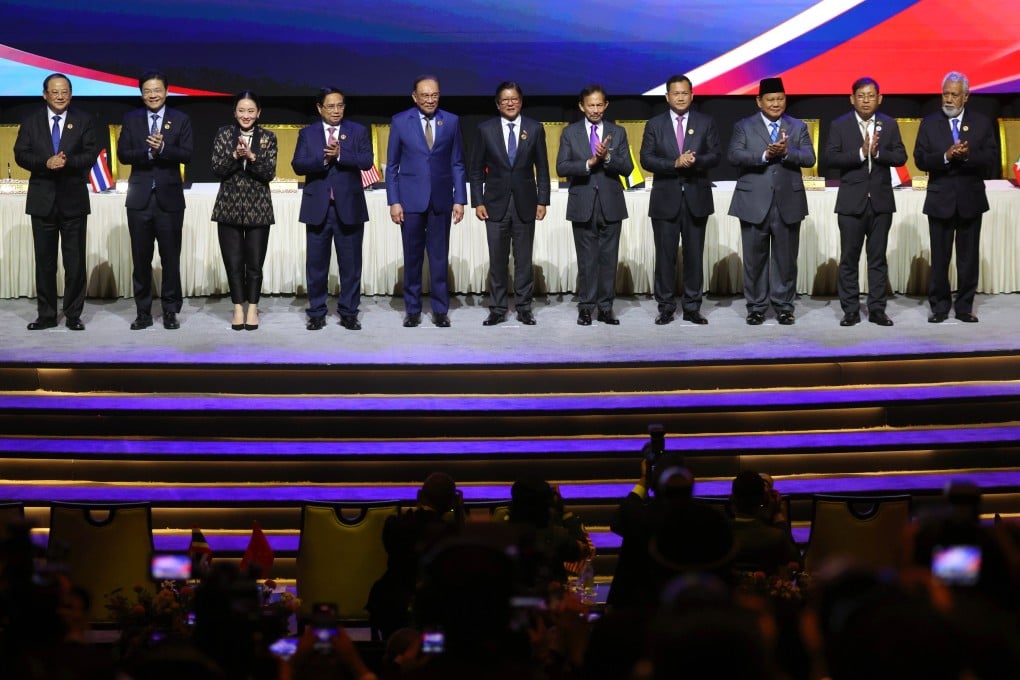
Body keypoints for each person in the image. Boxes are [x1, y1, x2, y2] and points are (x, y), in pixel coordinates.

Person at [727, 77, 815, 326]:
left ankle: (784, 307)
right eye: (770, 99)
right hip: (753, 201)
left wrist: (787, 153)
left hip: (788, 201)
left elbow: (809, 158)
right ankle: (756, 307)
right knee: (754, 260)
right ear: (759, 101)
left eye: (780, 99)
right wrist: (765, 155)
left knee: (785, 260)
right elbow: (734, 155)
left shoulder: (797, 126)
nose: (776, 104)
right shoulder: (744, 126)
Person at [14, 73, 97, 332]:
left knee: (75, 263)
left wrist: (67, 162)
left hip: (73, 201)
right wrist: (45, 163)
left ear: (70, 94)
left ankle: (73, 315)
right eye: (55, 91)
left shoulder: (83, 120)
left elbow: (90, 154)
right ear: (45, 94)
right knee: (45, 263)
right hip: (42, 201)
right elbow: (20, 154)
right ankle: (47, 315)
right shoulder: (31, 121)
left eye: (65, 92)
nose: (60, 96)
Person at [913, 71, 998, 324]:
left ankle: (964, 307)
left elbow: (991, 157)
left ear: (966, 96)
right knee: (940, 258)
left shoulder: (982, 122)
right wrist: (946, 156)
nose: (948, 99)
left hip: (970, 199)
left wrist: (968, 156)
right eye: (945, 94)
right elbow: (920, 159)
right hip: (940, 199)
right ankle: (939, 307)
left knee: (968, 259)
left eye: (954, 94)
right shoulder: (929, 123)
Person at [824, 77, 907, 327]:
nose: (866, 100)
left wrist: (877, 153)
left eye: (871, 96)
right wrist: (861, 153)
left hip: (881, 202)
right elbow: (830, 158)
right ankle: (850, 310)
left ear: (879, 99)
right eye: (861, 96)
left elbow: (901, 156)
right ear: (852, 99)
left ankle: (877, 309)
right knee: (849, 259)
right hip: (851, 203)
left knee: (877, 259)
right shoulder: (840, 125)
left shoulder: (889, 124)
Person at [386, 75, 467, 328]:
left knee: (439, 258)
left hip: (441, 200)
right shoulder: (400, 121)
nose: (430, 100)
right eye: (425, 95)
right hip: (410, 201)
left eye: (434, 95)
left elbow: (457, 163)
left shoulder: (451, 121)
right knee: (412, 258)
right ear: (415, 97)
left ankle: (440, 310)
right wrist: (394, 201)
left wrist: (460, 199)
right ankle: (412, 310)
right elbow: (392, 166)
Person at [639, 74, 720, 326]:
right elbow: (646, 159)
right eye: (676, 93)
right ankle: (665, 307)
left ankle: (692, 307)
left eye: (685, 93)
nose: (681, 97)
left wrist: (695, 161)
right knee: (665, 257)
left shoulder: (706, 122)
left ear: (692, 95)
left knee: (694, 256)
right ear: (667, 97)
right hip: (665, 199)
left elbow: (715, 155)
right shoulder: (655, 124)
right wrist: (674, 163)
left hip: (696, 198)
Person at [292, 86, 374, 331]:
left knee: (351, 265)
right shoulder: (308, 133)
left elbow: (366, 161)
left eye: (340, 105)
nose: (336, 110)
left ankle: (349, 312)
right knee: (316, 266)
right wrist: (324, 159)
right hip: (318, 208)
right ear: (320, 108)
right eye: (331, 106)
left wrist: (340, 155)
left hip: (349, 208)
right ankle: (317, 312)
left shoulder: (357, 131)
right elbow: (298, 164)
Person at [469, 81, 550, 326]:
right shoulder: (485, 130)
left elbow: (543, 168)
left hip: (526, 203)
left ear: (521, 102)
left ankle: (524, 308)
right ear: (497, 104)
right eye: (505, 100)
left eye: (514, 99)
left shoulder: (534, 128)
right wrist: (478, 201)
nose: (510, 103)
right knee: (498, 260)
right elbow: (475, 170)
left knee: (524, 260)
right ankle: (497, 308)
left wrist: (543, 200)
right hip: (494, 204)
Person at [117, 70, 193, 330]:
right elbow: (123, 155)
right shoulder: (131, 119)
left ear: (166, 92)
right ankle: (143, 313)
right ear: (141, 94)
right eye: (147, 91)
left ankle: (170, 311)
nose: (153, 95)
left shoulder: (180, 119)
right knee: (141, 260)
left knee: (170, 258)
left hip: (169, 200)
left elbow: (187, 154)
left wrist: (163, 149)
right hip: (139, 199)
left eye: (157, 90)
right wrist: (148, 153)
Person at [556, 84, 634, 326]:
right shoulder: (570, 133)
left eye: (600, 104)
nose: (596, 109)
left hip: (611, 203)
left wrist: (607, 157)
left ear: (606, 105)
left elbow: (628, 168)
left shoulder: (618, 132)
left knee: (609, 259)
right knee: (587, 260)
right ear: (582, 106)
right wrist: (589, 162)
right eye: (591, 105)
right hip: (583, 203)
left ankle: (606, 308)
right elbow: (561, 167)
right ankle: (586, 308)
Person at [366, 472, 464, 641]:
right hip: (431, 608)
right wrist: (459, 513)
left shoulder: (393, 525)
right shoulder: (450, 535)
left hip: (390, 603)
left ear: (419, 495)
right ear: (451, 502)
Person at [210, 89, 277, 331]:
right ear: (235, 112)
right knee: (234, 263)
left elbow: (269, 173)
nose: (246, 115)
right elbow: (217, 168)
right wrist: (234, 155)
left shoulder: (268, 137)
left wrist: (252, 156)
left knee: (255, 264)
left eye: (250, 111)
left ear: (258, 113)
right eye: (241, 110)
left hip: (258, 208)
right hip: (228, 207)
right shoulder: (224, 134)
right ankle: (238, 307)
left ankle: (252, 308)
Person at [728, 470, 801, 574]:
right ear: (762, 500)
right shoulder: (775, 536)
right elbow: (796, 562)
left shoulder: (718, 534)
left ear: (732, 498)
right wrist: (777, 514)